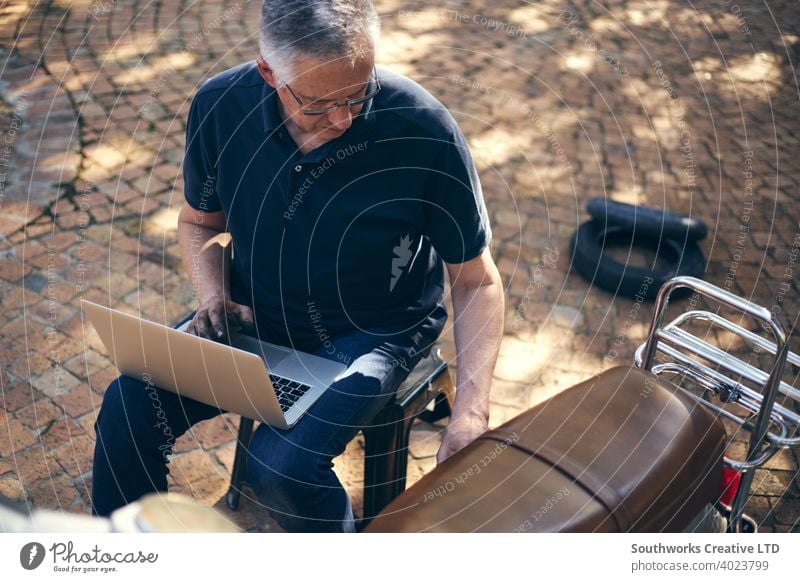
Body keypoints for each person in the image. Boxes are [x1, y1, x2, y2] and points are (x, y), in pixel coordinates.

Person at [91, 0, 504, 532]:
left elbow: (476, 280)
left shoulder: (423, 128)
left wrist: (472, 409)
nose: (342, 118)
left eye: (359, 94)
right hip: (254, 316)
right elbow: (198, 223)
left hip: (373, 333)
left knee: (280, 465)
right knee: (127, 405)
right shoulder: (220, 104)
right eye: (318, 104)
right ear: (268, 73)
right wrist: (213, 294)